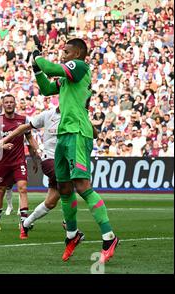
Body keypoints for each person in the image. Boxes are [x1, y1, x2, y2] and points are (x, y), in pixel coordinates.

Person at [32, 38, 118, 263]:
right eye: (62, 52)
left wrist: (38, 57)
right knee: (64, 187)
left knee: (82, 186)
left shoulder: (80, 67)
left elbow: (50, 67)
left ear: (78, 53)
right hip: (64, 134)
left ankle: (109, 237)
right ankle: (72, 235)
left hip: (78, 132)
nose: (63, 55)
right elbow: (46, 88)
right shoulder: (67, 78)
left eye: (67, 52)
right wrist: (36, 70)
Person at [0, 107, 99, 236]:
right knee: (74, 182)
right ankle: (69, 225)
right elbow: (24, 128)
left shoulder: (76, 115)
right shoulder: (47, 115)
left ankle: (26, 224)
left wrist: (86, 120)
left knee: (50, 202)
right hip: (49, 160)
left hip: (66, 163)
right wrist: (4, 140)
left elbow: (95, 135)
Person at [0, 94, 39, 239]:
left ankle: (24, 222)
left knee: (23, 188)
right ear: (3, 104)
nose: (9, 104)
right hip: (3, 162)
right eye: (6, 102)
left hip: (19, 161)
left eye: (11, 102)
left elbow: (30, 138)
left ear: (15, 104)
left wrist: (36, 155)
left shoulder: (23, 120)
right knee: (0, 190)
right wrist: (3, 145)